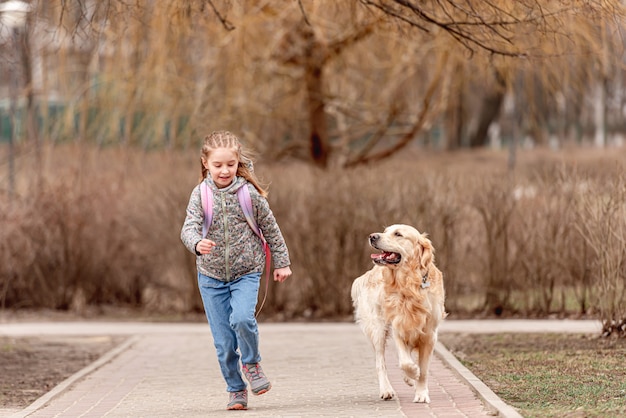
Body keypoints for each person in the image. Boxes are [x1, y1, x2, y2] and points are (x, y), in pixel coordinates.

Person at [180, 130, 292, 411]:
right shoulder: (200, 194)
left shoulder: (249, 193)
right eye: (217, 165)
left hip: (247, 270)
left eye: (230, 164)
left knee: (242, 319)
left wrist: (282, 262)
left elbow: (271, 228)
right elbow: (188, 228)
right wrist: (196, 243)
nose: (224, 170)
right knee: (224, 343)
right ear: (205, 163)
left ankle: (252, 364)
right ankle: (235, 389)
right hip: (211, 276)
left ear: (238, 161)